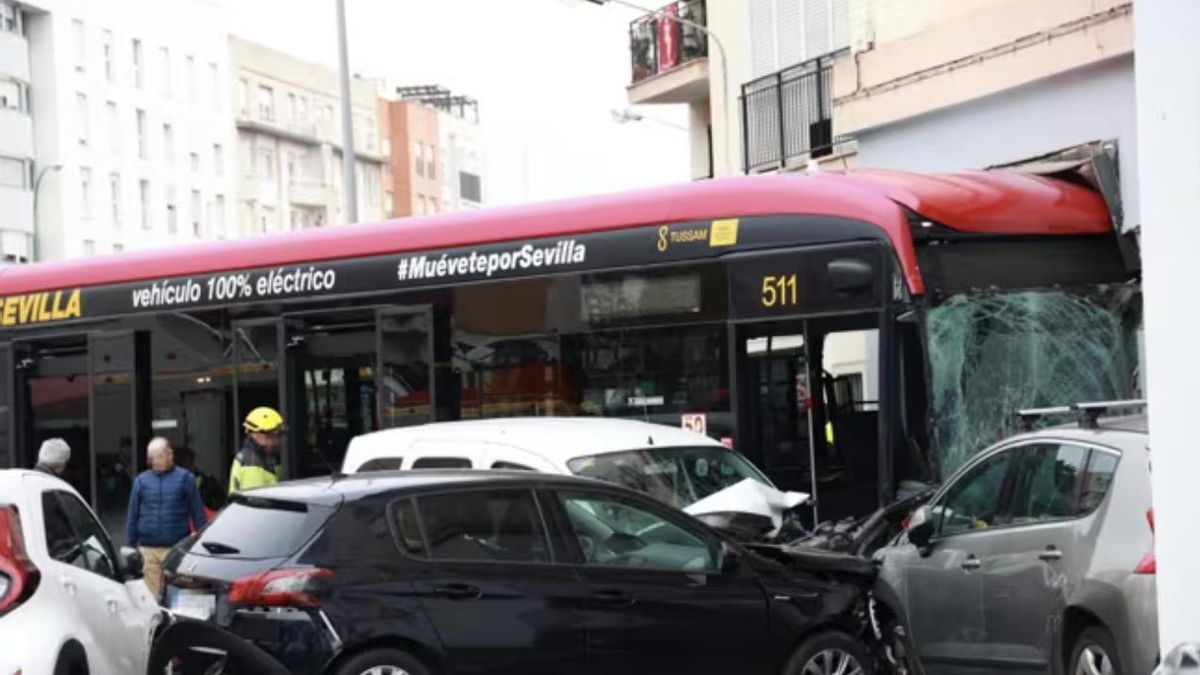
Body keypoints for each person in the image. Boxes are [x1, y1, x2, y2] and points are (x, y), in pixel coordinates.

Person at [125, 437, 208, 598]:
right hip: (148, 550)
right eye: (155, 456)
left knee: (177, 595)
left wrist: (202, 545)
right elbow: (132, 516)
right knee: (151, 598)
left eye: (162, 454)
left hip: (176, 548)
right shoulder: (141, 481)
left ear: (170, 454)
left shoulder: (186, 479)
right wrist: (129, 547)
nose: (158, 460)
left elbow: (198, 513)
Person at [229, 407, 284, 494]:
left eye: (277, 436)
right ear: (256, 434)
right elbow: (256, 502)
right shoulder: (252, 463)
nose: (276, 442)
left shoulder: (264, 457)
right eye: (272, 436)